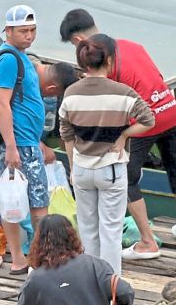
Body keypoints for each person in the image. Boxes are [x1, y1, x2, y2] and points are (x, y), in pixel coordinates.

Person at [60, 9, 176, 259]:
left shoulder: (105, 64)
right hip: (169, 108)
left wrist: (120, 136)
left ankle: (147, 241)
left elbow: (110, 104)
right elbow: (157, 76)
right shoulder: (132, 44)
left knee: (128, 178)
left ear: (79, 41)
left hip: (145, 121)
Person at [58, 35, 156, 274]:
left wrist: (72, 167)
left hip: (81, 169)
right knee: (110, 231)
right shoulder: (123, 93)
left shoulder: (71, 93)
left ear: (83, 63)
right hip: (111, 170)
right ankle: (111, 287)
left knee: (88, 229)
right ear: (110, 60)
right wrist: (123, 136)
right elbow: (149, 120)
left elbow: (66, 134)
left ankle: (90, 281)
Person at [0, 5, 50, 275]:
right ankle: (33, 258)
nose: (29, 36)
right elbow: (1, 104)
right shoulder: (7, 60)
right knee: (35, 203)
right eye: (23, 31)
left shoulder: (21, 56)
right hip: (18, 143)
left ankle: (27, 258)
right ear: (9, 31)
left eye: (32, 30)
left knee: (16, 200)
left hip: (27, 141)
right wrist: (11, 147)